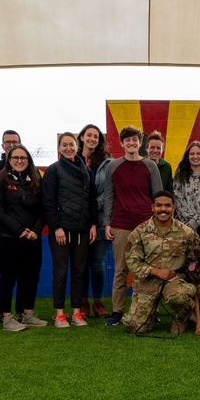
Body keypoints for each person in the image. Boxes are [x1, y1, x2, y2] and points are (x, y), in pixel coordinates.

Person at [123, 190, 200, 334]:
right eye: (159, 205)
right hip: (148, 281)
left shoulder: (186, 231)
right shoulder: (140, 232)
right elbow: (132, 261)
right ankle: (148, 316)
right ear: (152, 207)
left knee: (180, 296)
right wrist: (156, 271)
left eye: (167, 206)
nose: (163, 209)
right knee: (136, 327)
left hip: (175, 279)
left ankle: (179, 318)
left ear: (173, 208)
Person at [102, 126, 162, 326]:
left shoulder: (150, 166)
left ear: (140, 143)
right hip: (121, 224)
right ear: (122, 143)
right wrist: (107, 223)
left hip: (147, 225)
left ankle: (151, 309)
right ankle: (117, 311)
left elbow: (158, 197)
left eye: (135, 140)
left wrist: (159, 224)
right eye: (127, 140)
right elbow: (109, 197)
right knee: (121, 269)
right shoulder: (113, 166)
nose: (131, 143)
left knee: (149, 269)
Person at [43, 132, 98, 327]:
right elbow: (48, 202)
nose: (68, 148)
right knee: (60, 271)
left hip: (82, 229)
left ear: (77, 146)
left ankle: (76, 313)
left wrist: (93, 224)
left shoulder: (85, 170)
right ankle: (59, 314)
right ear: (59, 148)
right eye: (64, 145)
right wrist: (56, 227)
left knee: (79, 271)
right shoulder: (53, 170)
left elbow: (92, 200)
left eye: (71, 144)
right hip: (61, 230)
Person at [0, 144, 46, 331]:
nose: (20, 161)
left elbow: (43, 210)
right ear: (9, 160)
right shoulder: (0, 181)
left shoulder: (36, 180)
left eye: (23, 158)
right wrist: (20, 230)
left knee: (31, 277)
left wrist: (35, 231)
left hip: (32, 239)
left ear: (28, 160)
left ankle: (27, 313)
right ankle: (7, 317)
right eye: (15, 158)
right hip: (9, 238)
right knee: (7, 278)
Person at [79, 123, 112, 319]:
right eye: (89, 135)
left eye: (96, 136)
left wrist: (92, 206)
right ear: (82, 137)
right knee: (81, 265)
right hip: (78, 222)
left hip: (99, 220)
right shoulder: (72, 159)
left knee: (98, 264)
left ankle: (98, 303)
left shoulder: (107, 163)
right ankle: (83, 303)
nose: (92, 139)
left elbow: (109, 192)